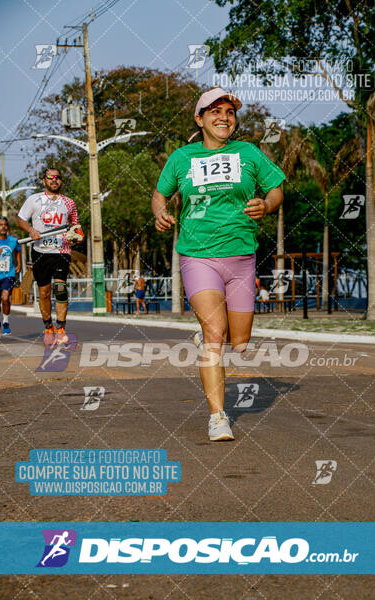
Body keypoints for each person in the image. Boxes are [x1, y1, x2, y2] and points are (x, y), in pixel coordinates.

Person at [152, 87, 285, 441]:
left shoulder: (249, 153)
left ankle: (208, 336)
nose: (224, 117)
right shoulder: (182, 158)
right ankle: (217, 417)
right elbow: (160, 194)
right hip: (198, 255)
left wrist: (267, 205)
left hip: (241, 257)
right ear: (200, 119)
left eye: (229, 112)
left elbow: (276, 189)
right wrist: (160, 212)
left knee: (238, 343)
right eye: (215, 111)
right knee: (215, 337)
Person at [17, 168, 84, 346]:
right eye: (50, 178)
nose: (54, 180)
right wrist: (31, 230)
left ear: (61, 181)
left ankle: (61, 327)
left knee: (60, 288)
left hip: (62, 251)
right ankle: (48, 327)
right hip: (40, 252)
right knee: (44, 293)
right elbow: (20, 219)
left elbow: (76, 226)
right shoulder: (34, 200)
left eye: (57, 178)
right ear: (45, 181)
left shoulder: (69, 203)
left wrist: (78, 235)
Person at [0, 216, 21, 338]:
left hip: (8, 274)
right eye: (0, 224)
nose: (3, 227)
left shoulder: (13, 241)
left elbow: (18, 250)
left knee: (5, 297)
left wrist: (19, 264)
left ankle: (5, 322)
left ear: (8, 227)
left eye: (5, 224)